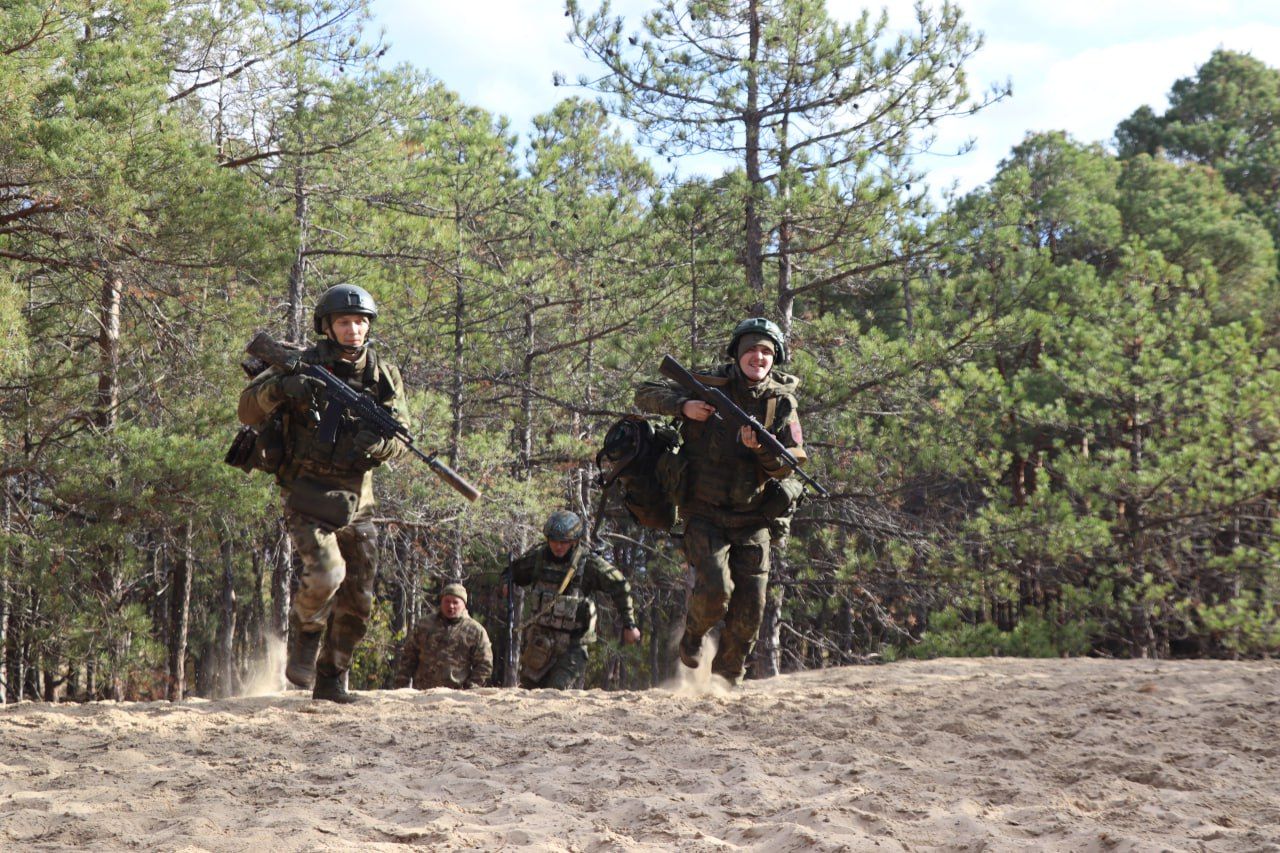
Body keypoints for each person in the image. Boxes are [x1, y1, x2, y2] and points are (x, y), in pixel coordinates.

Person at [238, 283, 407, 703]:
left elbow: (402, 435)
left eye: (361, 322)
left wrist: (379, 444)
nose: (354, 329)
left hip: (357, 501)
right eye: (345, 322)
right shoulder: (302, 364)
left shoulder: (382, 374)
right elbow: (246, 410)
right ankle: (305, 637)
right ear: (327, 327)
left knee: (360, 600)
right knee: (328, 575)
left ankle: (331, 680)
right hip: (306, 493)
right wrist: (280, 389)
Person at [634, 317, 808, 685]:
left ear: (774, 358)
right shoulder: (709, 382)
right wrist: (684, 407)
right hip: (704, 513)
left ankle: (726, 684)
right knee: (715, 590)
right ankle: (693, 637)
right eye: (751, 350)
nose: (758, 358)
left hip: (753, 518)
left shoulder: (781, 402)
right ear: (737, 353)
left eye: (766, 352)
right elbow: (645, 392)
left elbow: (788, 464)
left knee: (750, 613)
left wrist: (760, 451)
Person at [508, 510, 642, 689]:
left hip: (572, 647)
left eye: (564, 542)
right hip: (539, 645)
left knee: (555, 691)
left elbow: (620, 586)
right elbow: (512, 573)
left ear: (574, 541)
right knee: (528, 691)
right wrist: (505, 582)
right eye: (554, 541)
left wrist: (629, 625)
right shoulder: (538, 559)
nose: (558, 546)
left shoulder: (588, 564)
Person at [394, 583, 493, 690]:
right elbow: (409, 657)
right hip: (423, 692)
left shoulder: (475, 631)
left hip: (457, 695)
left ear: (464, 604)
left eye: (455, 602)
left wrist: (471, 686)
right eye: (447, 601)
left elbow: (484, 664)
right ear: (441, 602)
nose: (450, 606)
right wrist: (401, 685)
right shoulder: (424, 625)